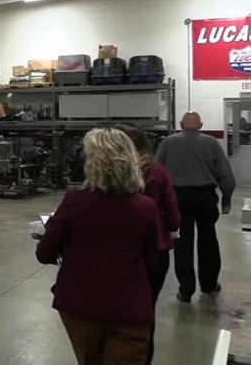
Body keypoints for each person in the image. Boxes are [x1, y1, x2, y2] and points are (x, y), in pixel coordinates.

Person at [36, 128, 159, 365]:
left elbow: (44, 254)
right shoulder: (146, 208)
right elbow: (151, 262)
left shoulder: (75, 203)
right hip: (129, 310)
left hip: (80, 307)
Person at [117, 124, 180, 365]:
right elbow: (173, 213)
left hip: (120, 248)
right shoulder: (158, 172)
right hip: (156, 247)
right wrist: (172, 229)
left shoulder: (111, 173)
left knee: (118, 305)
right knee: (146, 308)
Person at [156, 112, 235, 302]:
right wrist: (226, 196)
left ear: (181, 124)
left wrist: (158, 201)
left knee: (182, 242)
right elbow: (225, 173)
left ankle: (186, 290)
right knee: (208, 240)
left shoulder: (168, 143)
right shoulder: (211, 143)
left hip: (178, 198)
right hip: (205, 197)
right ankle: (209, 285)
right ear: (201, 125)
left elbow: (156, 171)